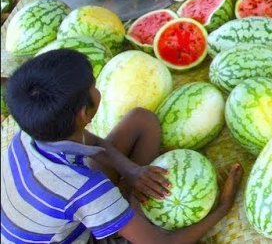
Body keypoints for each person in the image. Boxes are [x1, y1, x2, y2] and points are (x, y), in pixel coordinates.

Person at [0, 50, 242, 242]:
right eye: (94, 86)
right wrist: (222, 207)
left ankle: (125, 209)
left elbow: (93, 142)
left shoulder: (29, 134)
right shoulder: (86, 190)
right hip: (79, 234)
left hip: (57, 214)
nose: (98, 88)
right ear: (85, 113)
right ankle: (123, 220)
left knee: (142, 121)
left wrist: (131, 171)